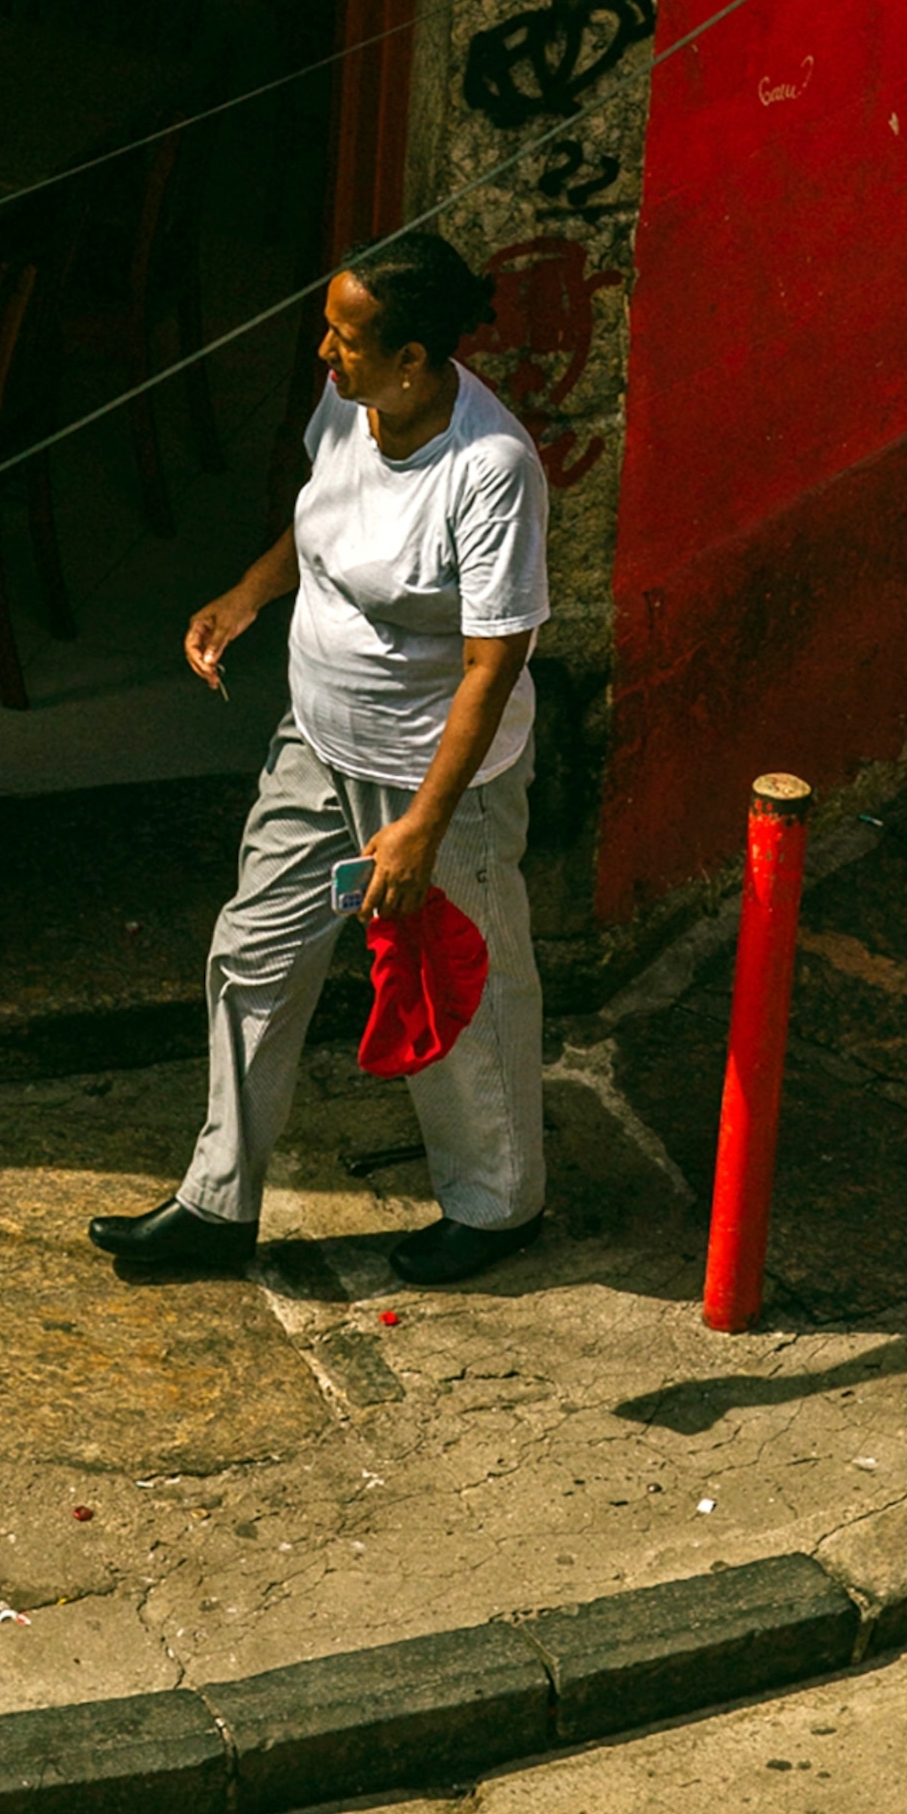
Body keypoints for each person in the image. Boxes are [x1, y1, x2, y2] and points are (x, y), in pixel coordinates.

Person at [88, 229, 551, 1288]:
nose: (324, 356)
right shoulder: (353, 406)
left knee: (454, 989)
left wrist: (424, 825)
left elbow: (492, 664)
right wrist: (246, 598)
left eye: (345, 339)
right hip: (315, 740)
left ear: (416, 361)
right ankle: (217, 1202)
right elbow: (319, 520)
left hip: (436, 778)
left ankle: (497, 1207)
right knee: (252, 952)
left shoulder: (492, 471)